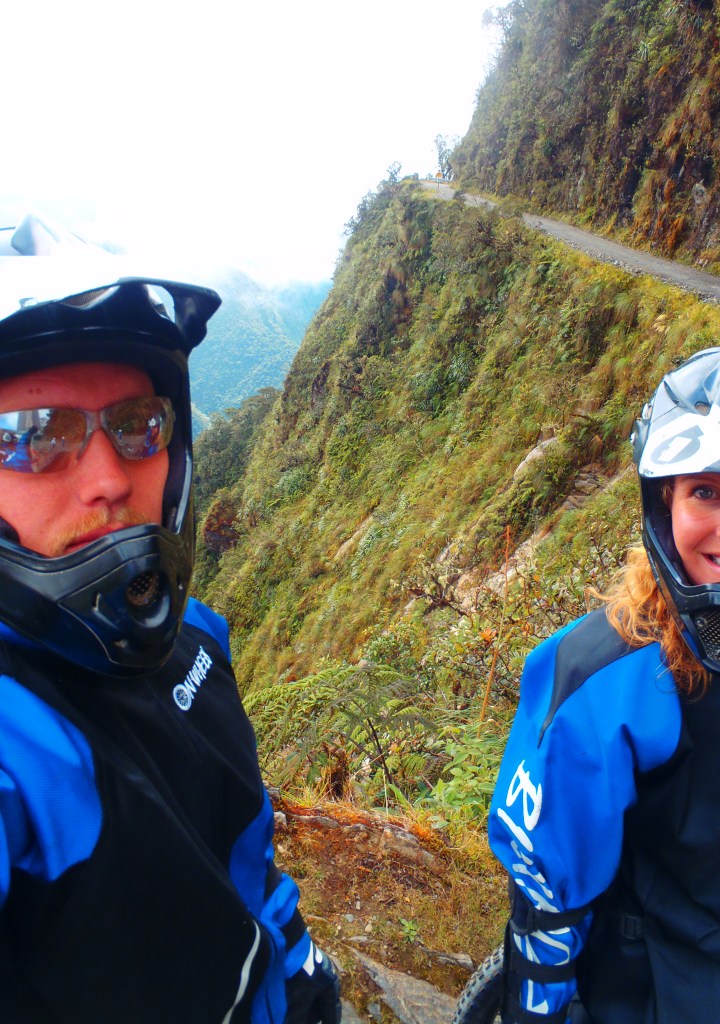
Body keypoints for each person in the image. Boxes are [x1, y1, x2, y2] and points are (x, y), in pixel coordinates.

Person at [0, 213, 341, 1024]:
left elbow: (244, 852)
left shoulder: (198, 643)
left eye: (136, 426)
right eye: (39, 437)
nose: (108, 480)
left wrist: (299, 972)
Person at [488, 342, 720, 1023]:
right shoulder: (604, 677)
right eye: (706, 491)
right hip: (675, 988)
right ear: (662, 503)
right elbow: (547, 904)